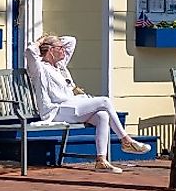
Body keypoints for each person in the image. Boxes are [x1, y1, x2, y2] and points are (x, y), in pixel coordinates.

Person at [25, 33, 150, 173]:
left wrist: (54, 39)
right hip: (56, 111)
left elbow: (71, 41)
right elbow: (30, 51)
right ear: (50, 50)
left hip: (71, 106)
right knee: (104, 101)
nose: (63, 50)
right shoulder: (39, 68)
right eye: (59, 48)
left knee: (103, 115)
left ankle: (101, 160)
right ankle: (126, 140)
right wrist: (42, 41)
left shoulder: (60, 66)